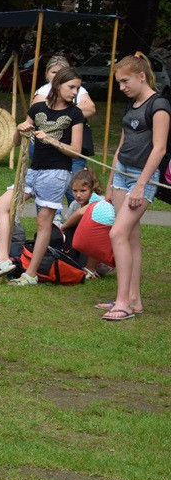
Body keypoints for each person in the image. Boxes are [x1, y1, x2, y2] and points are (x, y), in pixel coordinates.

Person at [0, 66, 85, 286]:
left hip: (56, 172)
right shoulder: (37, 108)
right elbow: (17, 142)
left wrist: (50, 139)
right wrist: (20, 130)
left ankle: (30, 274)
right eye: (71, 87)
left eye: (77, 88)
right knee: (1, 205)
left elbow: (76, 150)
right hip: (33, 171)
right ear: (57, 85)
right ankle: (2, 260)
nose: (75, 92)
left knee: (42, 222)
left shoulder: (75, 114)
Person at [96, 53, 169, 320]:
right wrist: (111, 179)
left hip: (142, 178)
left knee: (117, 234)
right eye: (119, 82)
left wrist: (140, 186)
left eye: (125, 81)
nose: (122, 87)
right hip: (121, 174)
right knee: (130, 237)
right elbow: (123, 144)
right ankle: (134, 299)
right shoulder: (132, 105)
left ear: (141, 76)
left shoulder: (159, 105)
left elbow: (159, 148)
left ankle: (123, 302)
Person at [32, 55, 96, 203]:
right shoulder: (42, 91)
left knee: (75, 186)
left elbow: (91, 108)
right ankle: (55, 221)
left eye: (61, 72)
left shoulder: (77, 89)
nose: (57, 76)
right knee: (45, 189)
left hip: (72, 144)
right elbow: (38, 113)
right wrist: (72, 111)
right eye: (54, 72)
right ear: (47, 73)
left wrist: (66, 111)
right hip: (47, 149)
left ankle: (76, 222)